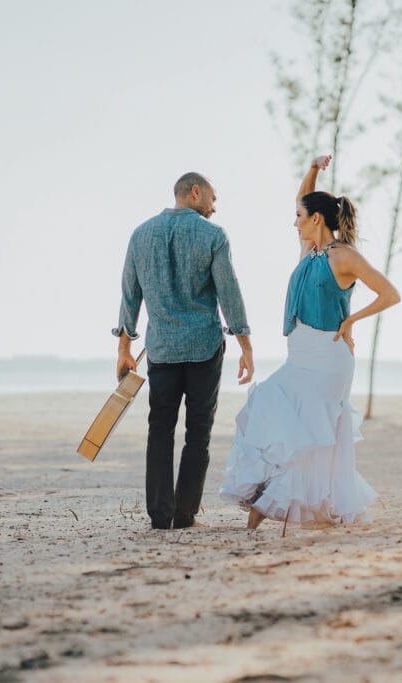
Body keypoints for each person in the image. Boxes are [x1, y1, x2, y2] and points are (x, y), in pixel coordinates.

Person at [219, 155, 400, 529]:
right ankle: (288, 505)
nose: (295, 221)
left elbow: (389, 293)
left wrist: (352, 319)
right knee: (279, 416)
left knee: (307, 431)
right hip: (298, 354)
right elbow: (303, 196)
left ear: (316, 219)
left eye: (300, 216)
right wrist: (315, 169)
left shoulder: (344, 256)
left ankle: (269, 509)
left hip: (328, 357)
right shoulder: (308, 252)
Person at [114, 172, 254, 530]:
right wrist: (245, 344)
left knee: (159, 430)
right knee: (198, 432)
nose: (214, 206)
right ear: (195, 192)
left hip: (161, 349)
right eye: (212, 198)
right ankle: (185, 515)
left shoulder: (141, 234)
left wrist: (124, 349)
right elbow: (229, 293)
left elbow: (130, 295)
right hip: (204, 348)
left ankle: (160, 516)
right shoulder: (213, 235)